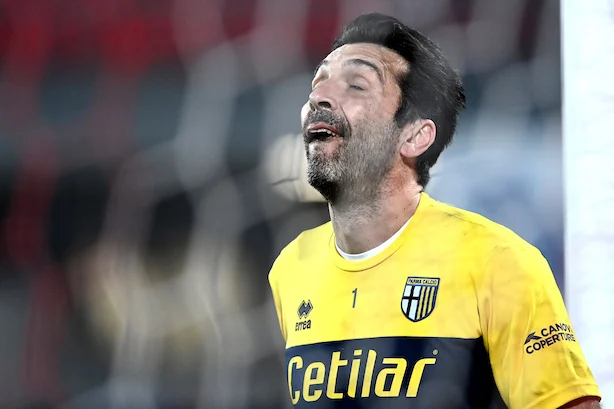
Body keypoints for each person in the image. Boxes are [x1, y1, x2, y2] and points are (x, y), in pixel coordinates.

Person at [268, 12, 601, 409]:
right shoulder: (291, 267)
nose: (318, 97)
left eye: (356, 85)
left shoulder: (498, 261)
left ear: (415, 136)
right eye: (318, 83)